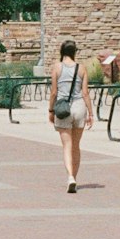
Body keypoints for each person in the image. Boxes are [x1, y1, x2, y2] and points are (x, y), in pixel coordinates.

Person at [48, 39, 93, 193]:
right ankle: (75, 176)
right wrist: (91, 113)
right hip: (79, 107)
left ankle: (70, 178)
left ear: (62, 51)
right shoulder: (82, 68)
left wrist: (50, 110)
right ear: (75, 52)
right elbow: (85, 93)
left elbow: (54, 92)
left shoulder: (56, 68)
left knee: (67, 146)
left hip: (63, 108)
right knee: (76, 146)